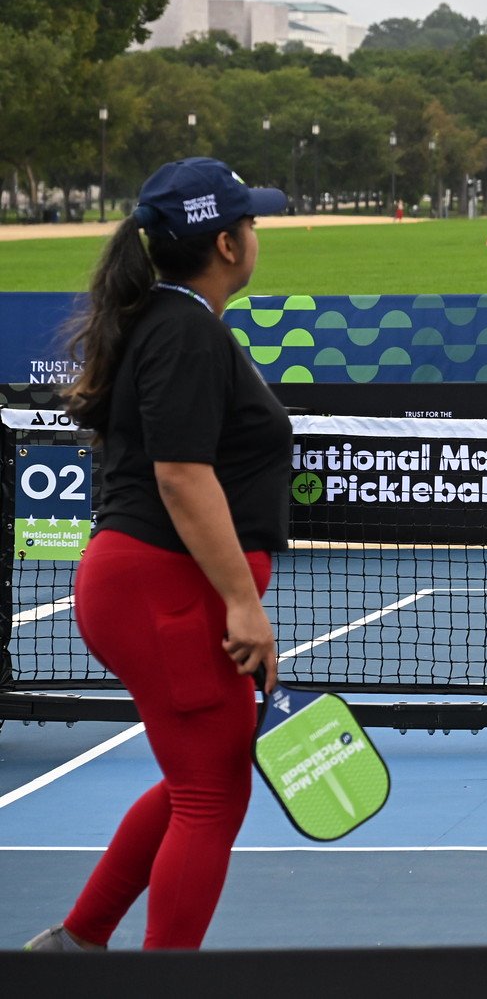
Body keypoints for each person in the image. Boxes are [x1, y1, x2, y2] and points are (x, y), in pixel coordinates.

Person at [25, 159, 292, 951]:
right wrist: (242, 602)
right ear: (227, 243)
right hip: (163, 591)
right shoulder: (184, 330)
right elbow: (180, 474)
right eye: (250, 221)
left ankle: (76, 945)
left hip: (156, 588)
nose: (256, 233)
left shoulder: (170, 321)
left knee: (195, 782)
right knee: (212, 794)